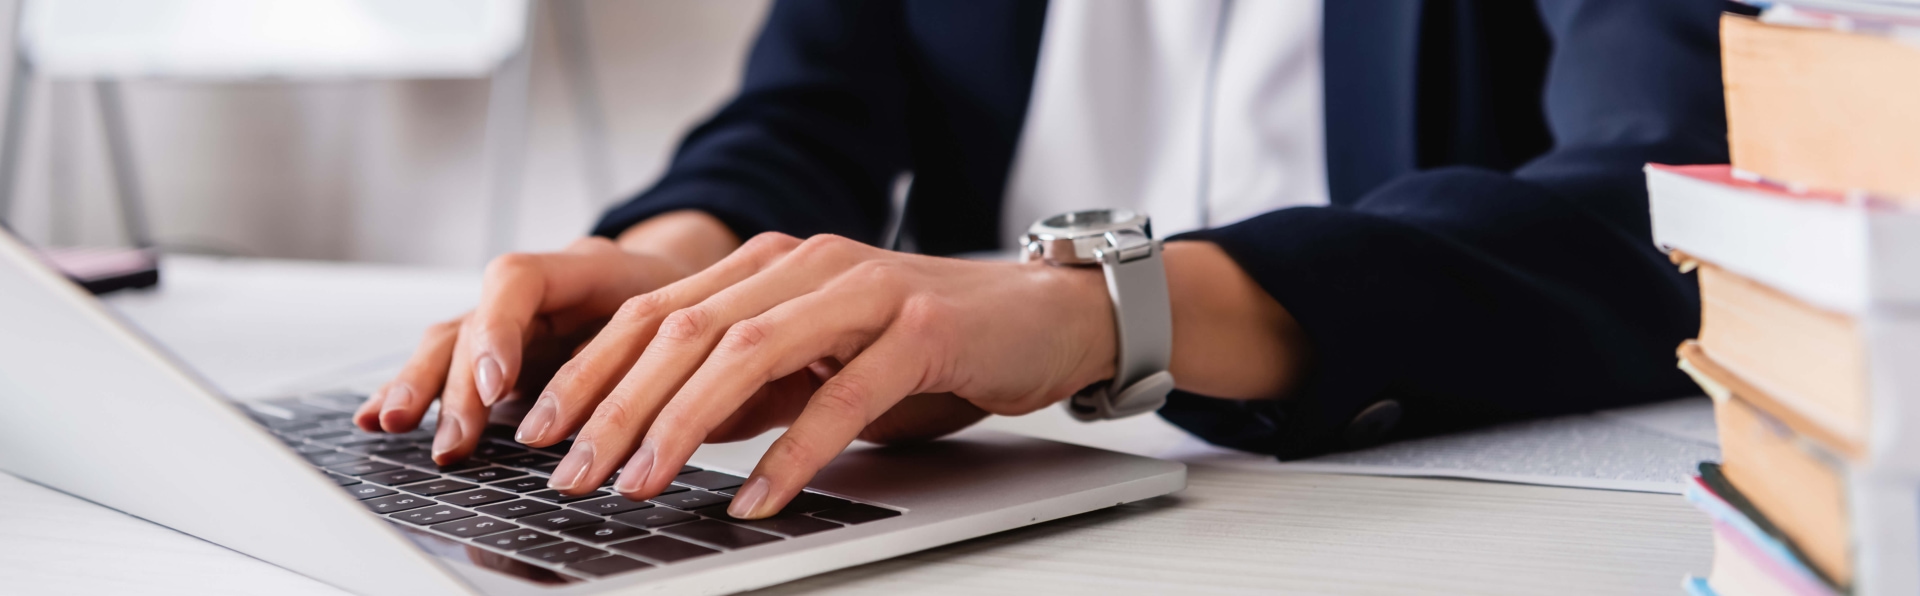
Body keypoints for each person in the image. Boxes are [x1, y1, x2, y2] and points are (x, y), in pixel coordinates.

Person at [354, 0, 1731, 520]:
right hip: (971, 498)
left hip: (1385, 514)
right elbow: (802, 111)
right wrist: (667, 269)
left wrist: (1102, 312)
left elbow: (1664, 187)